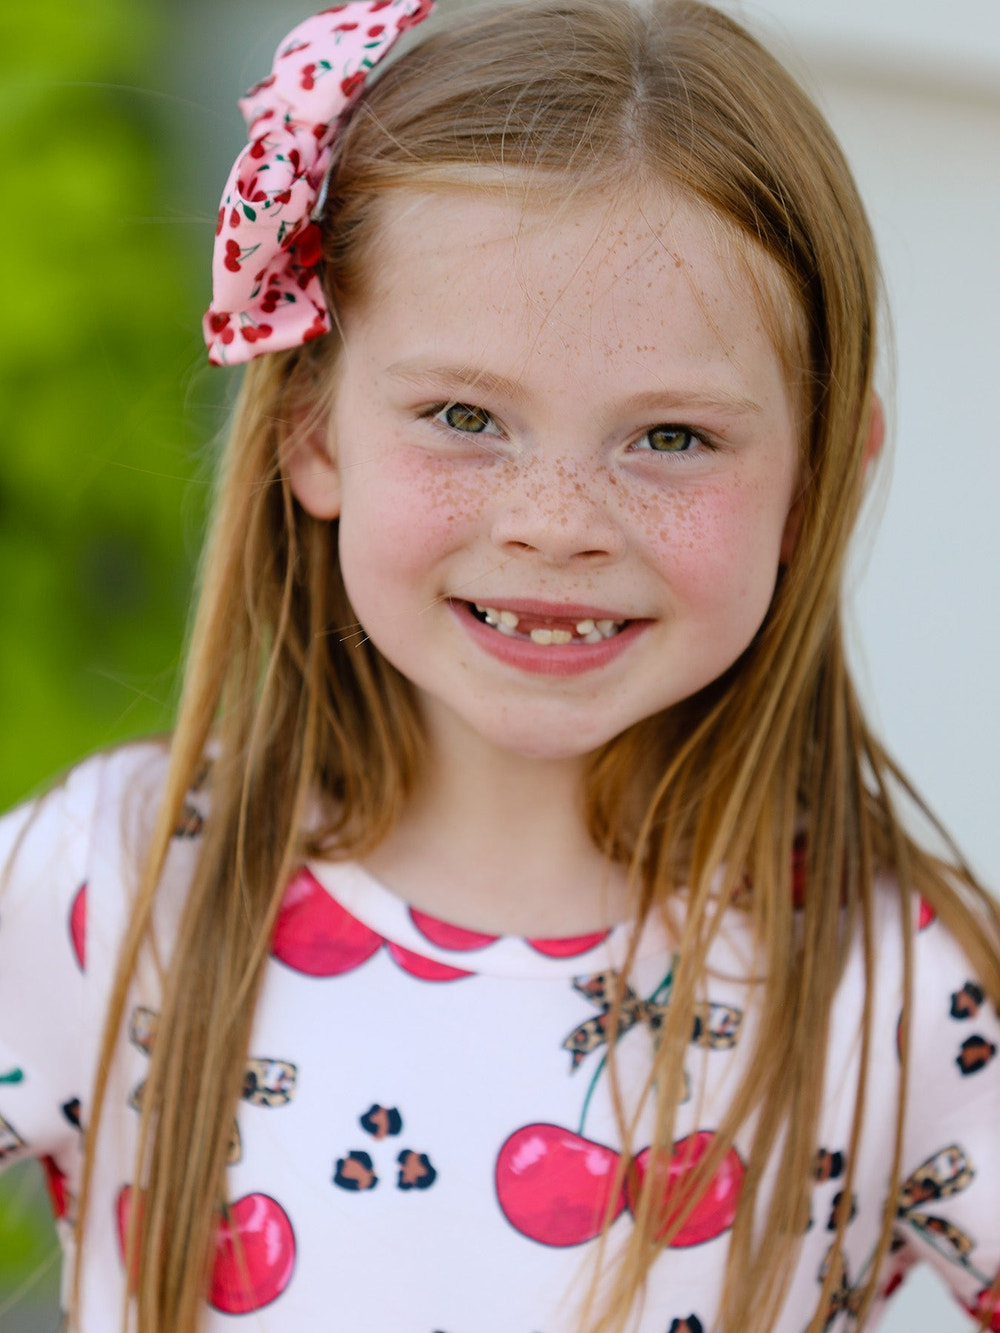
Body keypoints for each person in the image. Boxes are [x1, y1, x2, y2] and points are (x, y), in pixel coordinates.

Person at [1, 0, 998, 1329]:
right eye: (465, 416)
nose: (554, 520)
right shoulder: (113, 888)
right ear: (313, 430)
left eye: (673, 438)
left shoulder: (893, 987)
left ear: (816, 479)